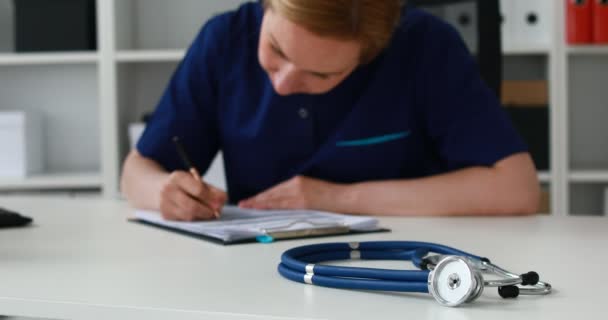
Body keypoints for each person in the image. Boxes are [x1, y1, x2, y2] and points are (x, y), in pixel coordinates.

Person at [121, 0, 540, 221]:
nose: (283, 84)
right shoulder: (224, 41)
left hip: (400, 277)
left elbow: (517, 189)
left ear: (372, 53)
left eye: (321, 75)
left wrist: (336, 198)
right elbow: (136, 170)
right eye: (276, 50)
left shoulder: (424, 48)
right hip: (256, 279)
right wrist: (165, 194)